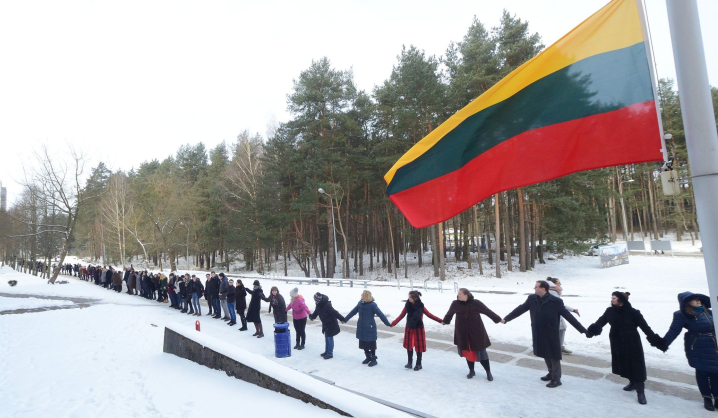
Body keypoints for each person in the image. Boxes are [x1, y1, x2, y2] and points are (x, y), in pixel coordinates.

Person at [502, 281, 587, 388]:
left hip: (551, 332)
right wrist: (506, 319)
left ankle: (556, 379)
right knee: (545, 352)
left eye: (536, 287)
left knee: (554, 355)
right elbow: (521, 309)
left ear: (543, 289)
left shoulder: (556, 301)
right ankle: (551, 373)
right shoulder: (532, 299)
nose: (534, 288)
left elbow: (568, 316)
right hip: (538, 331)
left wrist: (583, 330)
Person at [586, 291, 664, 405]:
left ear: (621, 300)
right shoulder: (610, 311)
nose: (612, 300)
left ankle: (641, 392)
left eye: (614, 298)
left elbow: (645, 328)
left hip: (632, 342)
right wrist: (591, 331)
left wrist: (657, 341)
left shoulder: (634, 313)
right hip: (616, 341)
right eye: (612, 298)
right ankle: (632, 383)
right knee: (623, 363)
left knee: (636, 365)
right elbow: (600, 322)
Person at [660, 292, 718, 411]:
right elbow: (673, 331)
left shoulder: (708, 312)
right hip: (698, 346)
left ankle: (717, 398)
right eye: (694, 299)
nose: (698, 301)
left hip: (713, 346)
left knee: (716, 372)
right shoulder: (682, 314)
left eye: (699, 299)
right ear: (686, 303)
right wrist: (663, 343)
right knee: (702, 372)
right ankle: (707, 398)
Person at [442, 288, 501, 379]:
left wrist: (498, 319)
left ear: (466, 295)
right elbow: (449, 314)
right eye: (458, 294)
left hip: (476, 334)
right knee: (467, 354)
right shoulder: (455, 304)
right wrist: (445, 321)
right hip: (462, 333)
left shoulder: (476, 303)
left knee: (482, 354)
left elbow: (487, 311)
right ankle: (471, 371)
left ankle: (488, 372)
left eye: (460, 294)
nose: (458, 295)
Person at [392, 290, 443, 371]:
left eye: (410, 297)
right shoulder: (407, 305)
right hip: (409, 327)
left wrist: (441, 321)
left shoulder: (421, 306)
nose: (409, 299)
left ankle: (419, 364)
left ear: (415, 298)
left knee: (419, 346)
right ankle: (409, 362)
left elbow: (430, 315)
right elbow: (401, 315)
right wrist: (393, 323)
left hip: (418, 327)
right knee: (409, 345)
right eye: (408, 297)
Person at [343, 290, 392, 367]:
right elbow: (353, 312)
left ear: (366, 296)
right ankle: (368, 357)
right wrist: (345, 319)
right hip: (361, 327)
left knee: (371, 344)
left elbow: (381, 314)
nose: (361, 295)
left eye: (362, 295)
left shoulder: (372, 305)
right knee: (363, 343)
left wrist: (387, 323)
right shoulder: (360, 303)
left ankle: (374, 359)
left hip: (370, 327)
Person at [546, 277, 581, 354]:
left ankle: (556, 346)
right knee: (560, 329)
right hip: (553, 315)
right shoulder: (553, 292)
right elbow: (560, 305)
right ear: (554, 284)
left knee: (560, 329)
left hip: (555, 314)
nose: (560, 284)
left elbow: (560, 305)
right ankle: (557, 347)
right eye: (558, 283)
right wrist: (573, 310)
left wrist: (573, 309)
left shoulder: (553, 291)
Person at [309, 293, 346, 360]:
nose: (315, 301)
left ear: (319, 299)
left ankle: (330, 353)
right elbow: (316, 312)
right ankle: (327, 351)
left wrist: (342, 318)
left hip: (331, 323)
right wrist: (312, 317)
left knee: (330, 338)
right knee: (326, 338)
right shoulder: (318, 304)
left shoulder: (327, 305)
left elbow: (334, 312)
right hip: (325, 323)